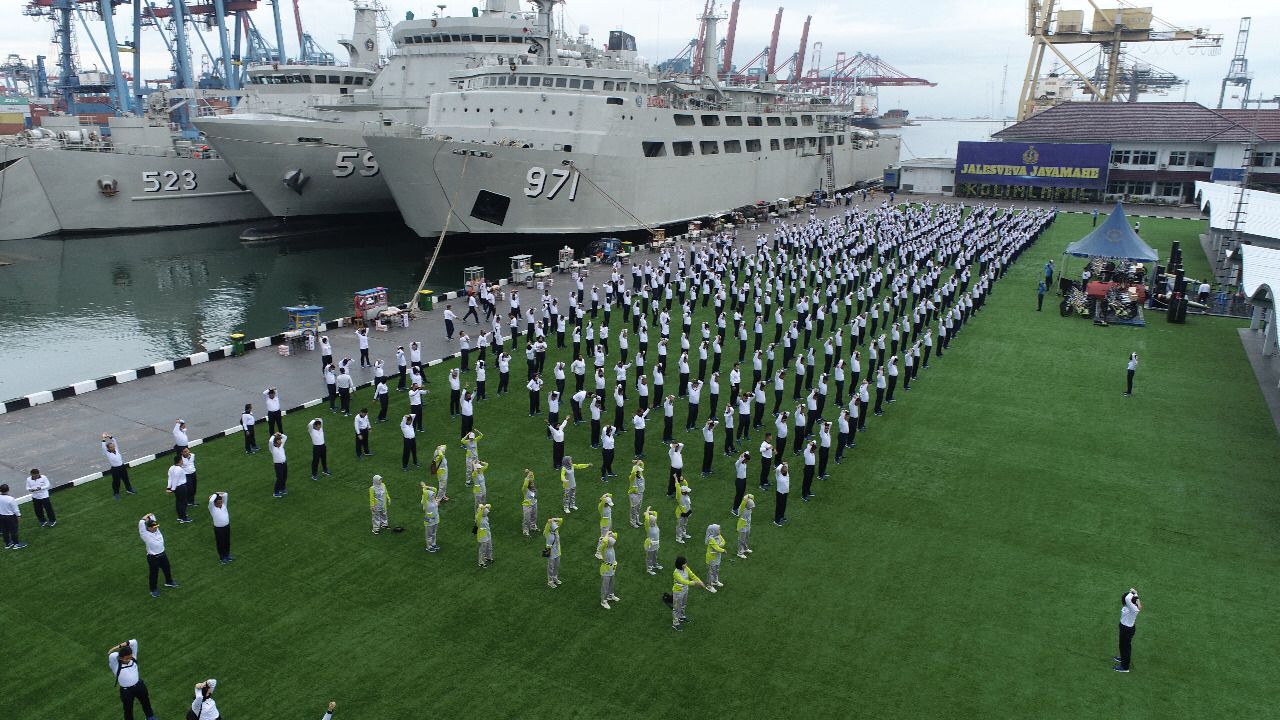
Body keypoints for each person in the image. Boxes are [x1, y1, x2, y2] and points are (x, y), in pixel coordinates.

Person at [108, 639, 156, 720]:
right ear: (120, 657)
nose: (129, 660)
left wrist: (118, 646)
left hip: (139, 686)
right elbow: (112, 655)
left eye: (130, 657)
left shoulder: (133, 658)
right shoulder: (115, 665)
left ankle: (150, 718)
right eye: (126, 658)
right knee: (128, 710)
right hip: (126, 691)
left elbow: (134, 642)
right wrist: (115, 650)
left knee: (146, 703)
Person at [138, 513, 177, 597]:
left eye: (156, 526)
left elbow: (152, 516)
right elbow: (141, 523)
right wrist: (145, 518)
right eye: (154, 527)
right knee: (154, 574)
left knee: (167, 568)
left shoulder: (156, 529)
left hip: (163, 554)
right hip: (153, 557)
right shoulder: (145, 534)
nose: (156, 528)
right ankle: (153, 590)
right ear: (149, 528)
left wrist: (149, 515)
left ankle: (169, 582)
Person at [670, 555, 706, 631]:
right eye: (684, 563)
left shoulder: (686, 568)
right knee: (676, 607)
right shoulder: (676, 573)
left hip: (685, 590)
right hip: (678, 592)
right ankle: (675, 623)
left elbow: (692, 575)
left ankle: (681, 616)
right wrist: (694, 583)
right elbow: (683, 581)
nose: (686, 564)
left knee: (683, 604)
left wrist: (700, 582)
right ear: (680, 565)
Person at [1115, 587, 1142, 672]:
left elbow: (1127, 598)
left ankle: (1125, 667)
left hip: (1126, 629)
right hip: (1125, 627)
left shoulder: (1133, 608)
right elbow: (1136, 601)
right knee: (1123, 646)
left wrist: (1132, 592)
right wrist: (1135, 594)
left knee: (1125, 647)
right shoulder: (1134, 605)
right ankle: (1123, 658)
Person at [102, 434, 135, 499]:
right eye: (111, 447)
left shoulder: (116, 449)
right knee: (116, 481)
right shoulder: (107, 453)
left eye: (113, 446)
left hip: (122, 467)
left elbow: (114, 441)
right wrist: (103, 438)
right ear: (108, 448)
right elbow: (103, 446)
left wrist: (109, 436)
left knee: (126, 479)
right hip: (115, 469)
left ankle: (129, 489)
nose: (113, 447)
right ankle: (116, 493)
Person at [597, 530, 620, 609]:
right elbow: (604, 540)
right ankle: (603, 601)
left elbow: (615, 535)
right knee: (605, 586)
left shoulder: (611, 546)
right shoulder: (604, 548)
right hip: (606, 570)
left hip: (612, 568)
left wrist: (610, 533)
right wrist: (606, 534)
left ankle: (611, 595)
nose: (613, 543)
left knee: (611, 583)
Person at [208, 492, 232, 563]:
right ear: (215, 503)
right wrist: (215, 494)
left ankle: (227, 555)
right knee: (220, 543)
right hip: (219, 529)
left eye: (221, 502)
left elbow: (225, 494)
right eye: (218, 503)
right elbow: (211, 501)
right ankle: (222, 557)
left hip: (227, 526)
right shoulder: (212, 508)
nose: (220, 504)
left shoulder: (224, 505)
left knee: (227, 541)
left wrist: (217, 494)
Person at [0, 484, 25, 550]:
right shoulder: (10, 499)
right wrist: (18, 516)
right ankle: (16, 544)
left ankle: (7, 544)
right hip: (10, 517)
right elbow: (15, 509)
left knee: (4, 531)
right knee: (13, 530)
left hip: (1, 516)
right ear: (8, 489)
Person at [166, 455, 191, 522]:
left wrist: (168, 488)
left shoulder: (171, 468)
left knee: (178, 502)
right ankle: (184, 517)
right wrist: (172, 489)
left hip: (177, 488)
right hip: (181, 487)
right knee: (183, 502)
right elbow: (175, 480)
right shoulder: (179, 469)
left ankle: (180, 516)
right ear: (180, 461)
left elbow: (170, 479)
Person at [420, 483, 440, 552]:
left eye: (434, 495)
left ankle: (433, 544)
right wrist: (424, 487)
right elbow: (425, 493)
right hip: (429, 520)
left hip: (436, 518)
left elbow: (435, 489)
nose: (434, 496)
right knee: (429, 534)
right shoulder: (426, 502)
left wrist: (427, 486)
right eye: (432, 495)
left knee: (434, 532)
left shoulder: (433, 500)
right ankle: (429, 546)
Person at [544, 516, 563, 587]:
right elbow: (548, 525)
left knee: (556, 566)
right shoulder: (547, 533)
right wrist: (549, 522)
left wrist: (554, 520)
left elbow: (561, 520)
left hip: (558, 551)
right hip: (550, 551)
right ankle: (550, 581)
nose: (556, 528)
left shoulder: (556, 531)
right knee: (550, 567)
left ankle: (555, 578)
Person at [626, 459, 645, 527]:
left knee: (638, 508)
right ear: (636, 472)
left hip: (640, 493)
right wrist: (636, 465)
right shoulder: (632, 477)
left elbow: (642, 465)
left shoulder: (640, 473)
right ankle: (633, 522)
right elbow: (633, 471)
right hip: (634, 494)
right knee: (634, 508)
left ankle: (637, 520)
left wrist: (638, 461)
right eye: (639, 471)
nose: (640, 472)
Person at [735, 494, 755, 558]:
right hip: (742, 526)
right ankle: (740, 553)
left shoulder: (749, 509)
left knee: (746, 538)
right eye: (751, 506)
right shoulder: (742, 509)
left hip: (747, 525)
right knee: (741, 539)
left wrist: (749, 496)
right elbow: (743, 502)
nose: (752, 507)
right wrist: (746, 498)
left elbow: (751, 496)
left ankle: (745, 549)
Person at [674, 476, 693, 543]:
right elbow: (677, 487)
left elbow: (686, 485)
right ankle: (678, 538)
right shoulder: (679, 495)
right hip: (681, 513)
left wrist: (683, 479)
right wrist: (676, 478)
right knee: (679, 525)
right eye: (687, 491)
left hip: (686, 512)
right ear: (684, 492)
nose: (688, 492)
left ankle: (684, 534)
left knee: (684, 524)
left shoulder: (685, 495)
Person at [269, 432, 288, 497]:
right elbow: (270, 441)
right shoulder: (272, 449)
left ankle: (282, 488)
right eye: (279, 443)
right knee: (279, 478)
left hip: (284, 464)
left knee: (284, 476)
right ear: (275, 443)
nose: (280, 444)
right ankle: (276, 492)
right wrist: (274, 435)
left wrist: (280, 434)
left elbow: (285, 437)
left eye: (280, 442)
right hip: (278, 465)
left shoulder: (281, 445)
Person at [475, 503, 494, 568]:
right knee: (482, 549)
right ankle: (481, 562)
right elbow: (480, 505)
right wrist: (483, 508)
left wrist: (486, 506)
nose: (487, 512)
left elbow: (489, 506)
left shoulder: (485, 516)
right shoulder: (478, 517)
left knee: (489, 546)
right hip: (482, 535)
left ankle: (489, 557)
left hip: (487, 533)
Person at [521, 470, 538, 536]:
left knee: (534, 516)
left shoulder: (533, 489)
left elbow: (532, 476)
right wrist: (527, 476)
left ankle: (533, 526)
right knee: (527, 519)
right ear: (528, 485)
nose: (533, 485)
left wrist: (529, 472)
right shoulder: (525, 489)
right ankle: (525, 530)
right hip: (527, 505)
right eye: (531, 484)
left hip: (534, 503)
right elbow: (525, 484)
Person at [773, 461, 790, 526]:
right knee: (779, 506)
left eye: (786, 471)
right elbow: (777, 469)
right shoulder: (778, 475)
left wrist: (784, 465)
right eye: (785, 472)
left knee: (783, 505)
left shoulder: (786, 473)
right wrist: (781, 464)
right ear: (782, 471)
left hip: (786, 492)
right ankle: (776, 520)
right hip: (780, 493)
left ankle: (781, 516)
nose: (786, 473)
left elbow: (786, 464)